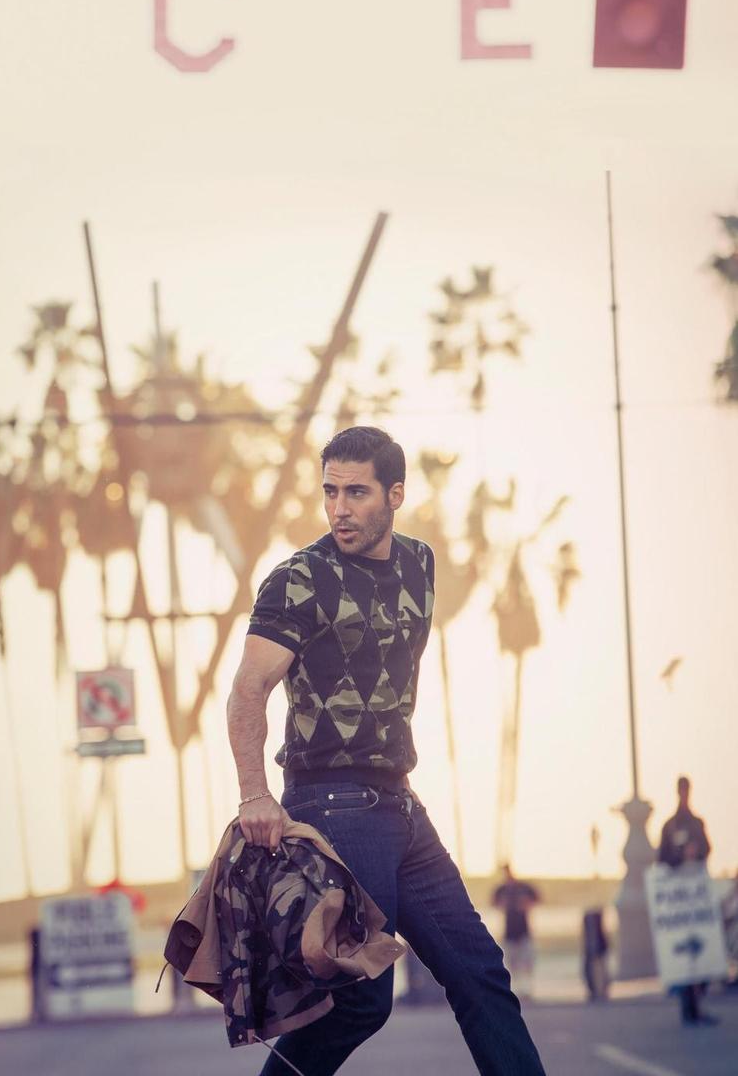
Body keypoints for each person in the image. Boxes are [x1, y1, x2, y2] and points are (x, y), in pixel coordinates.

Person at [227, 427, 547, 1076]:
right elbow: (248, 690)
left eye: (357, 492)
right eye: (330, 492)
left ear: (395, 494)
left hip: (402, 804)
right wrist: (256, 795)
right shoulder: (299, 580)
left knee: (481, 973)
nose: (339, 507)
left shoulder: (418, 565)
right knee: (361, 1000)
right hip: (333, 804)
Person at [658, 775, 717, 1027]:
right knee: (681, 955)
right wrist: (681, 855)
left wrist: (696, 852)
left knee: (701, 951)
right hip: (678, 903)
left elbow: (707, 848)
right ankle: (687, 1006)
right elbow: (662, 857)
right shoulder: (670, 826)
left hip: (695, 901)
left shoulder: (696, 823)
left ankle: (697, 1003)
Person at [492, 864, 540, 998]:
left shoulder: (523, 887)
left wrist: (526, 905)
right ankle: (519, 988)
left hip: (523, 930)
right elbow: (494, 903)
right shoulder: (501, 889)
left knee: (526, 961)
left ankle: (527, 988)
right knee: (513, 962)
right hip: (509, 931)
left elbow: (536, 898)